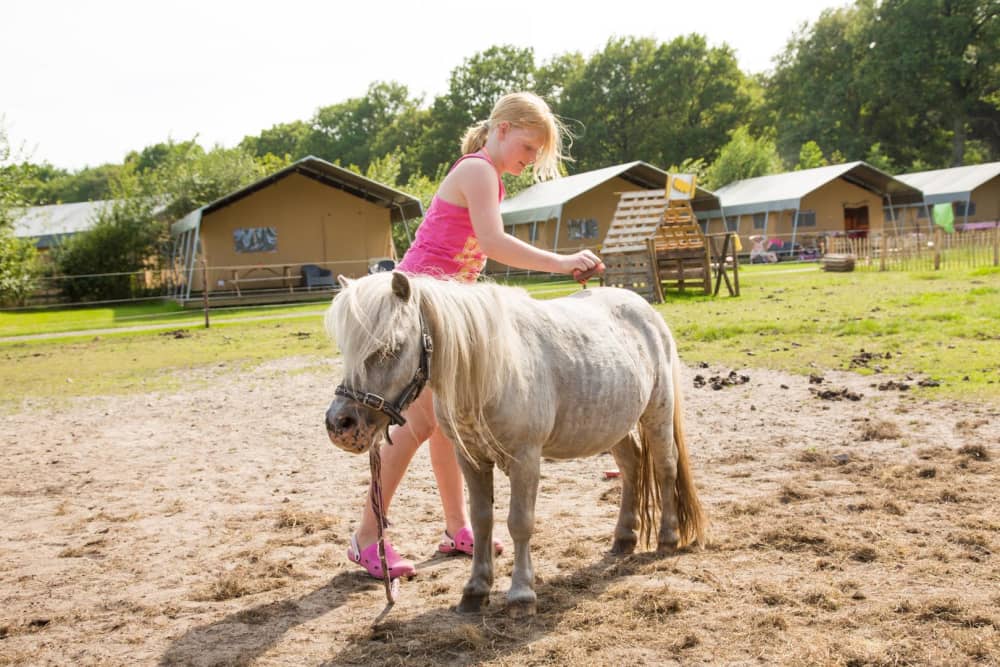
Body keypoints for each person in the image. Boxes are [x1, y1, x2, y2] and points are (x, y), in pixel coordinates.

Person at [347, 91, 605, 579]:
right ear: (502, 129)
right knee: (416, 427)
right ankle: (366, 538)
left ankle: (455, 527)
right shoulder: (478, 170)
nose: (529, 162)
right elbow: (493, 244)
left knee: (448, 424)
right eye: (528, 149)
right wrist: (563, 261)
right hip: (419, 310)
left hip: (446, 316)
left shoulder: (488, 175)